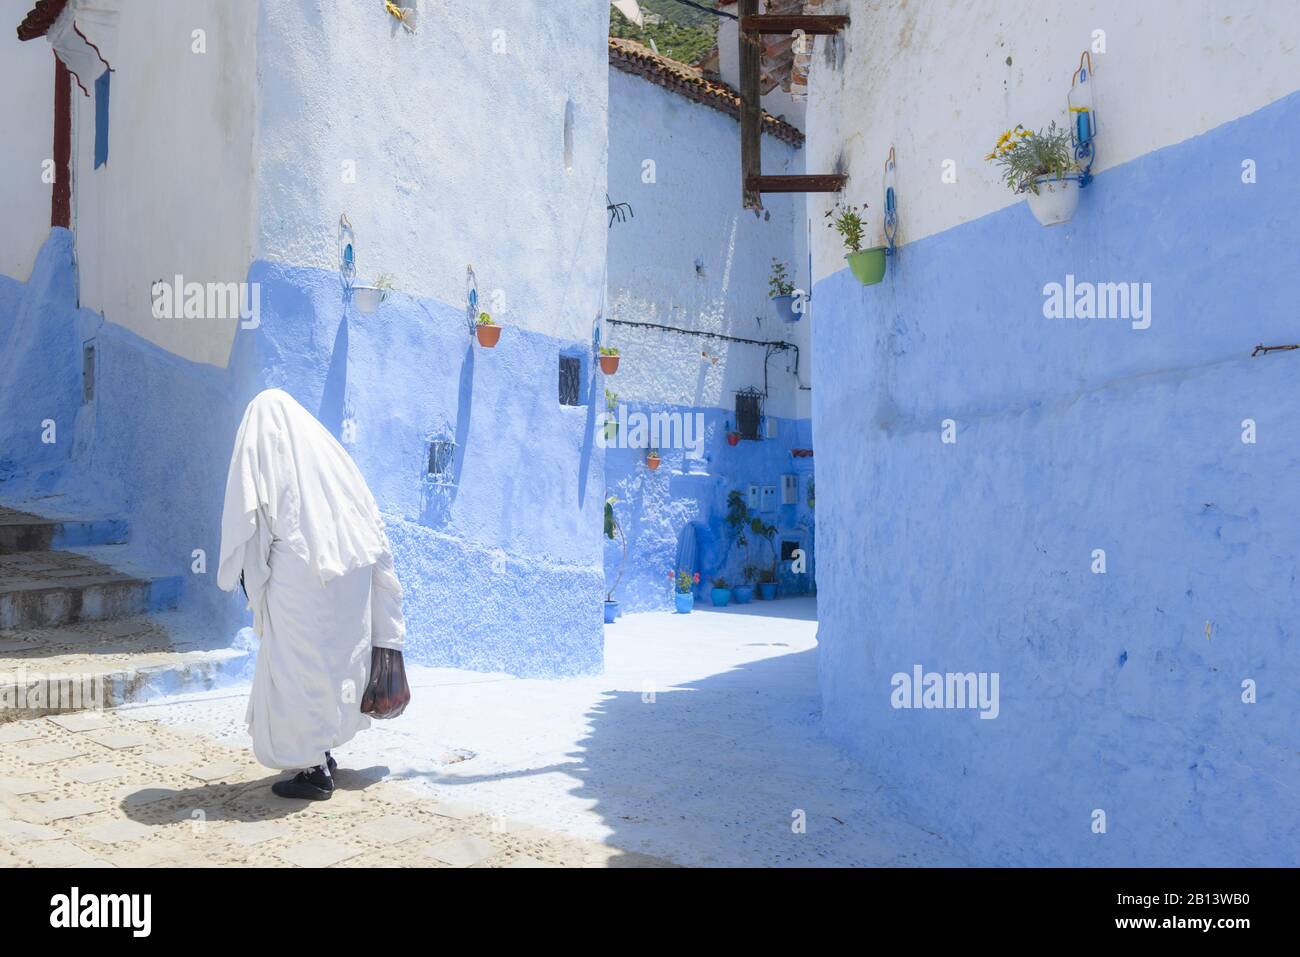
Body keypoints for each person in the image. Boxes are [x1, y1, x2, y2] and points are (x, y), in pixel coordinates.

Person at [217, 389, 406, 800]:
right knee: (334, 669)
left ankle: (313, 769)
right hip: (347, 585)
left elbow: (250, 519)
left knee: (296, 674)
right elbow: (373, 533)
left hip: (299, 587)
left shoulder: (271, 457)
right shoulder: (334, 464)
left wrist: (250, 578)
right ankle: (323, 749)